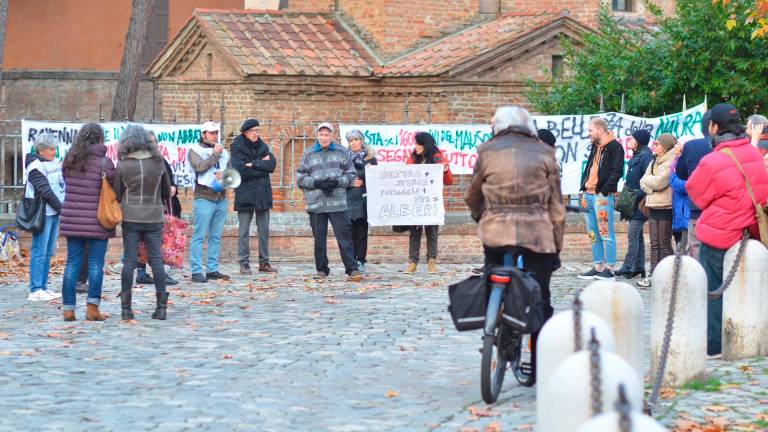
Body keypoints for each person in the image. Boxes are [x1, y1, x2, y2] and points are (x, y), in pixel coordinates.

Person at [465, 105, 565, 383]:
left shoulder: (487, 151)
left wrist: (480, 215)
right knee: (540, 298)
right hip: (537, 234)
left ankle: (493, 319)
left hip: (496, 230)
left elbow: (473, 195)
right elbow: (557, 207)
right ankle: (539, 359)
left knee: (491, 272)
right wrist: (556, 247)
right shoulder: (545, 153)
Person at [686, 103, 768, 356]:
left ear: (713, 127)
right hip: (751, 232)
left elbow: (696, 196)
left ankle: (715, 344)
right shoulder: (755, 154)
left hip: (720, 233)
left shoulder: (713, 161)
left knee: (714, 292)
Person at [113, 126, 172, 321]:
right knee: (156, 260)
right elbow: (165, 191)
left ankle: (126, 309)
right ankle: (161, 307)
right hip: (154, 215)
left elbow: (117, 192)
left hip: (130, 216)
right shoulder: (158, 163)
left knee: (129, 261)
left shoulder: (122, 165)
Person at [59, 123, 115, 321]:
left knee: (72, 263)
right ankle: (92, 309)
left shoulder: (70, 160)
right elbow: (113, 187)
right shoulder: (104, 163)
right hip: (98, 221)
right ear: (100, 139)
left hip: (73, 219)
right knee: (95, 264)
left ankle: (68, 309)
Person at [296, 122, 362, 281]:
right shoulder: (308, 152)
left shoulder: (342, 152)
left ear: (332, 136)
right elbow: (300, 178)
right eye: (321, 135)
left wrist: (337, 182)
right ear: (317, 135)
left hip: (338, 203)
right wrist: (317, 183)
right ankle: (321, 270)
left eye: (327, 135)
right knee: (319, 239)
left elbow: (352, 175)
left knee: (344, 237)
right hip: (316, 203)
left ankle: (352, 269)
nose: (324, 138)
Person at [578, 117, 625, 280]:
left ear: (600, 130)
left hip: (602, 197)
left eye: (590, 130)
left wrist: (604, 190)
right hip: (588, 195)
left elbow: (617, 172)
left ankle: (610, 268)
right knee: (592, 232)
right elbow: (590, 168)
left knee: (605, 232)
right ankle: (598, 265)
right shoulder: (595, 147)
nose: (588, 133)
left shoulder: (615, 147)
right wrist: (584, 188)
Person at [231, 118, 278, 275]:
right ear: (245, 132)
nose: (256, 133)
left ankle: (264, 262)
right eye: (253, 131)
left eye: (257, 130)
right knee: (244, 231)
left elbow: (271, 165)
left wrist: (254, 164)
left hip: (262, 193)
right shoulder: (237, 146)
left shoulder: (262, 145)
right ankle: (244, 263)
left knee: (264, 230)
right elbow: (239, 170)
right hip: (245, 193)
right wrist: (260, 165)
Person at [133, 130, 179, 286]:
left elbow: (170, 179)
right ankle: (145, 273)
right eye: (151, 143)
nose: (154, 146)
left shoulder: (161, 160)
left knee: (157, 241)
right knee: (147, 241)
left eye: (155, 143)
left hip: (161, 206)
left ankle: (154, 272)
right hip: (146, 207)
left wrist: (173, 188)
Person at [404, 132, 453, 274]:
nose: (416, 146)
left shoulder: (438, 158)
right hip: (415, 201)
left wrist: (445, 170)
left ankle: (432, 261)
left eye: (419, 143)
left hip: (431, 202)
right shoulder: (413, 158)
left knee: (432, 232)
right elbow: (405, 175)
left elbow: (449, 181)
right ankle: (413, 262)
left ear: (426, 145)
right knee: (414, 231)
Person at [188, 121, 230, 283]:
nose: (214, 136)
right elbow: (199, 167)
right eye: (211, 133)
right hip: (204, 196)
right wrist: (215, 155)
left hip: (220, 196)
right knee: (199, 235)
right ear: (203, 134)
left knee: (215, 236)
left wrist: (224, 174)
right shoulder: (195, 150)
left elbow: (230, 169)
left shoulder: (223, 151)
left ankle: (212, 269)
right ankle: (196, 271)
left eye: (216, 133)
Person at [24, 134, 65, 301]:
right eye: (51, 149)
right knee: (39, 251)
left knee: (48, 252)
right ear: (41, 150)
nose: (54, 152)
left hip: (54, 213)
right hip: (43, 214)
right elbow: (45, 191)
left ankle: (43, 287)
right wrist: (62, 209)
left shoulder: (53, 163)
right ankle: (35, 289)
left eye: (55, 148)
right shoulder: (35, 166)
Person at [637, 134, 677, 287]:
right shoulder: (654, 160)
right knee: (654, 244)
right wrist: (651, 186)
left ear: (665, 146)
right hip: (652, 204)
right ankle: (653, 276)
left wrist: (650, 185)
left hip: (665, 206)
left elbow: (660, 182)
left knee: (664, 243)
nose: (654, 146)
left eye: (658, 144)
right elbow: (643, 179)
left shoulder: (670, 161)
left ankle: (669, 276)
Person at [614, 129, 653, 280]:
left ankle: (628, 267)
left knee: (632, 236)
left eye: (633, 139)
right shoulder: (637, 156)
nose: (630, 140)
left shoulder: (646, 157)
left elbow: (648, 181)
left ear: (640, 141)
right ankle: (639, 267)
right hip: (632, 203)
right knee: (638, 237)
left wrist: (637, 195)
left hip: (639, 203)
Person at [675, 110, 712, 259]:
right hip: (722, 208)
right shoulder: (729, 146)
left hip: (697, 207)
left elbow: (680, 173)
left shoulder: (691, 146)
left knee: (696, 246)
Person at [345, 129, 378, 273]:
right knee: (349, 233)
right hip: (348, 198)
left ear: (361, 141)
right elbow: (338, 177)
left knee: (361, 233)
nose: (353, 143)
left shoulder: (370, 159)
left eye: (356, 139)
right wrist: (350, 182)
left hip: (364, 199)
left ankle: (361, 260)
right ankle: (351, 262)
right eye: (351, 140)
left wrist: (372, 171)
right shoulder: (344, 159)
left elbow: (378, 179)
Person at [669, 139, 691, 251]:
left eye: (678, 144)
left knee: (685, 247)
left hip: (685, 209)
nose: (675, 146)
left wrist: (672, 177)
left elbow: (683, 186)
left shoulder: (688, 161)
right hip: (678, 208)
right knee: (679, 244)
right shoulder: (675, 161)